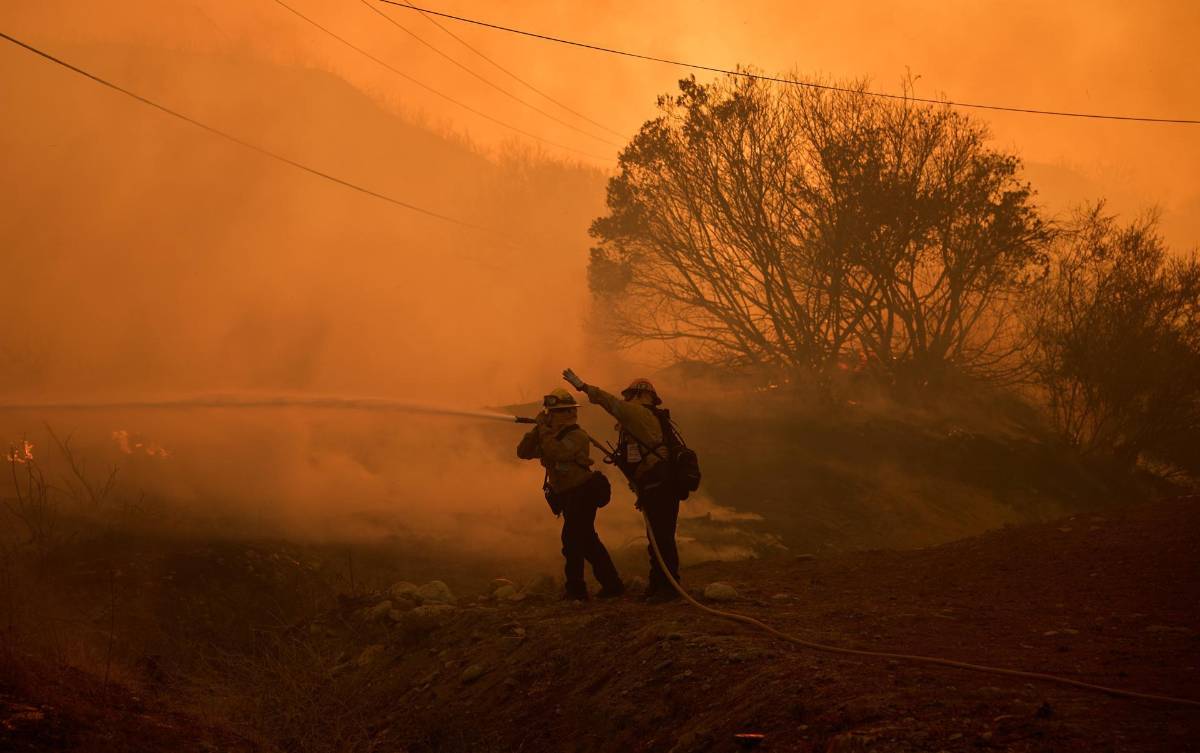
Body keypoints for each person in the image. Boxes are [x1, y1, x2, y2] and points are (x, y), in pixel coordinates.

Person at [561, 370, 683, 602]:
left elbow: (611, 403)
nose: (626, 400)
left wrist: (583, 387)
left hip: (660, 485)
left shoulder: (638, 413)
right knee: (657, 537)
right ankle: (658, 583)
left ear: (639, 395)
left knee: (661, 538)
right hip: (657, 484)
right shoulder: (650, 419)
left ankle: (668, 587)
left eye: (629, 396)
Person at [517, 388, 623, 601]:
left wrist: (543, 429)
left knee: (572, 541)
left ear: (570, 413)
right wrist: (537, 429)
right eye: (551, 412)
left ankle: (576, 590)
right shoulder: (550, 436)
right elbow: (523, 452)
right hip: (567, 496)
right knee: (587, 541)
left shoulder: (577, 435)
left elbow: (558, 452)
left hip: (582, 493)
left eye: (557, 412)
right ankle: (612, 585)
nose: (552, 416)